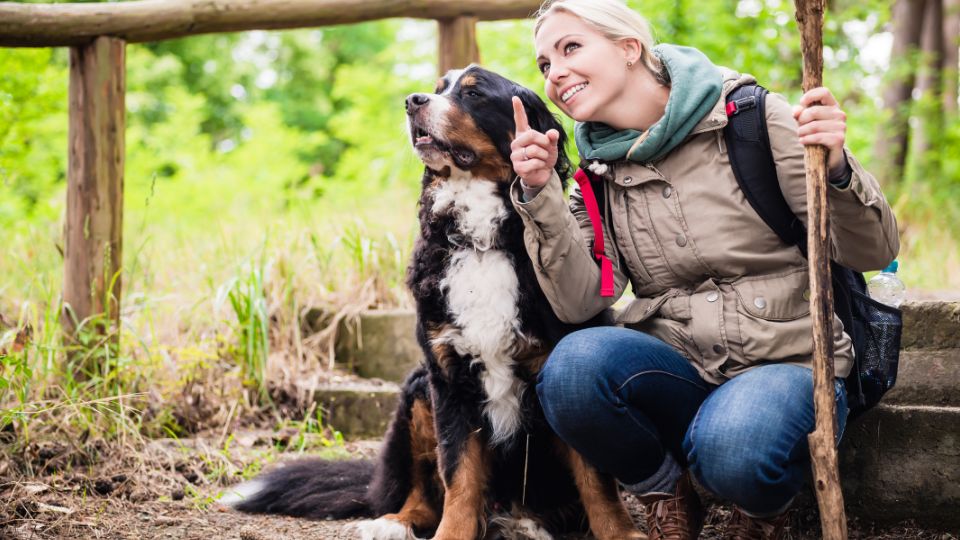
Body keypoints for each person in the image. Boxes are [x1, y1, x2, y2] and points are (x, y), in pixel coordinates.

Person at [508, 0, 899, 538]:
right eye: (545, 63)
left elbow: (873, 250)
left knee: (732, 448)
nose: (555, 73)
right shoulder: (595, 172)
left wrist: (835, 166)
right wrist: (542, 196)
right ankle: (666, 490)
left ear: (629, 48)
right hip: (680, 365)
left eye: (570, 47)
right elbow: (583, 301)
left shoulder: (753, 119)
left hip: (787, 360)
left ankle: (762, 508)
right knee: (571, 369)